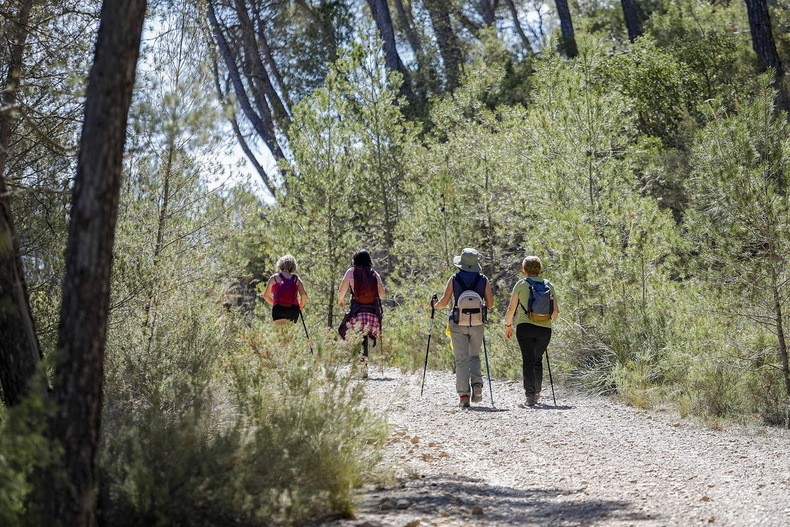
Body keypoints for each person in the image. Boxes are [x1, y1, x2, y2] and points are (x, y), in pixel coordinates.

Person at [431, 248, 494, 407]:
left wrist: (434, 305)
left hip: (458, 322)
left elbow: (444, 303)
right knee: (474, 356)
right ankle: (477, 384)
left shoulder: (454, 278)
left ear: (461, 264)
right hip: (478, 323)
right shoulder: (484, 279)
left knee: (461, 360)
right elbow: (491, 303)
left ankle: (464, 396)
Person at [504, 256, 559, 406]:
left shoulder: (521, 285)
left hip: (524, 327)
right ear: (540, 269)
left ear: (524, 270)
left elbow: (511, 309)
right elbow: (555, 312)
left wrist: (508, 326)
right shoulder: (549, 285)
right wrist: (545, 322)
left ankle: (529, 396)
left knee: (528, 361)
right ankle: (537, 393)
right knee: (538, 360)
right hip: (544, 329)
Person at [338, 250, 386, 378]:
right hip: (371, 311)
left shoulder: (351, 272)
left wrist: (340, 300)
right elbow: (382, 294)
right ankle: (362, 368)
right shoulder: (373, 273)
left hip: (357, 309)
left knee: (352, 335)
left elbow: (342, 289)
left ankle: (361, 368)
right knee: (363, 338)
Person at [262, 254, 308, 326]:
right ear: (293, 266)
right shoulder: (296, 279)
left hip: (279, 308)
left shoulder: (274, 278)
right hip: (293, 309)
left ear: (280, 264)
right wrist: (300, 306)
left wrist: (275, 303)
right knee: (290, 334)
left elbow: (266, 296)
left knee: (280, 334)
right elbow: (304, 295)